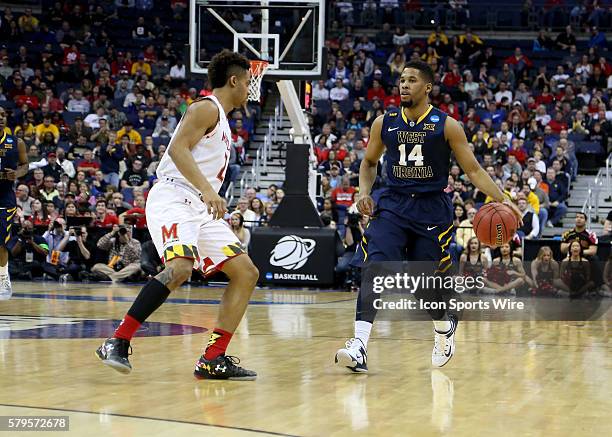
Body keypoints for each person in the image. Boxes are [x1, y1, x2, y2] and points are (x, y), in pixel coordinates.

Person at [335, 61, 522, 372]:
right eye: (401, 80)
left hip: (431, 208)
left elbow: (473, 170)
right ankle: (360, 345)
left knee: (424, 288)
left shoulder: (447, 125)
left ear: (428, 88)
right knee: (376, 266)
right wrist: (363, 192)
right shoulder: (384, 122)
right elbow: (368, 163)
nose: (403, 85)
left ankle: (443, 328)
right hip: (392, 205)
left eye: (411, 80)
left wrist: (504, 199)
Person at [96, 50, 259, 380]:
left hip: (198, 204)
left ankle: (213, 357)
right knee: (181, 268)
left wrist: (207, 195)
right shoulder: (205, 107)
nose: (250, 88)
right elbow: (177, 150)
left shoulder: (223, 118)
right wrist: (210, 191)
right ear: (233, 81)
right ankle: (117, 340)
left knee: (246, 272)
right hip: (174, 196)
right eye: (247, 81)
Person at [0, 107, 29, 299]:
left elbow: (25, 165)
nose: (1, 118)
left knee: (1, 240)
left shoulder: (16, 142)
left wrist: (16, 174)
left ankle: (3, 278)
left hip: (4, 197)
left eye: (3, 115)